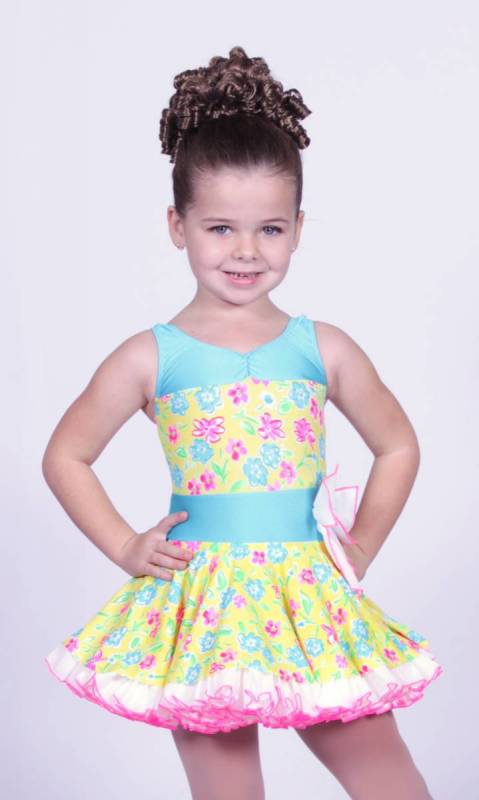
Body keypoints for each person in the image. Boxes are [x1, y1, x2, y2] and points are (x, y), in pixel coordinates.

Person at [43, 45, 443, 800]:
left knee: (388, 780)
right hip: (202, 608)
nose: (246, 251)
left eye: (270, 229)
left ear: (297, 228)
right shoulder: (149, 356)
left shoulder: (322, 347)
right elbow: (66, 454)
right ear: (178, 225)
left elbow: (397, 444)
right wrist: (125, 545)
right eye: (221, 228)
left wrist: (359, 548)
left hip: (308, 599)